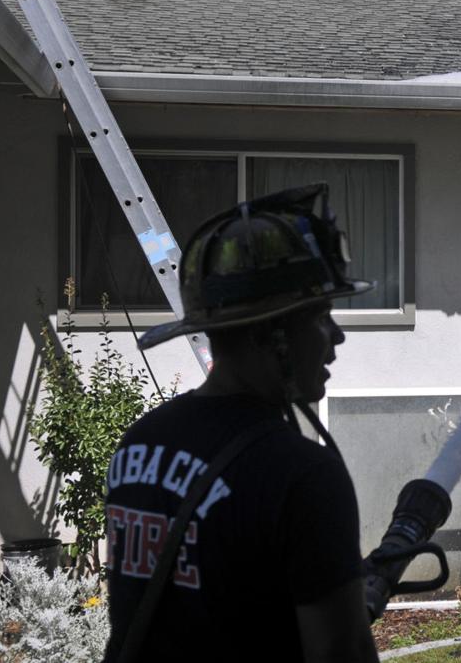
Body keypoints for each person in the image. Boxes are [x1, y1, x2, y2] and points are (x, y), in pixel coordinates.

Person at [102, 183, 379, 662]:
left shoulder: (139, 444)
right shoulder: (302, 476)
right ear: (269, 336)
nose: (336, 337)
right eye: (319, 317)